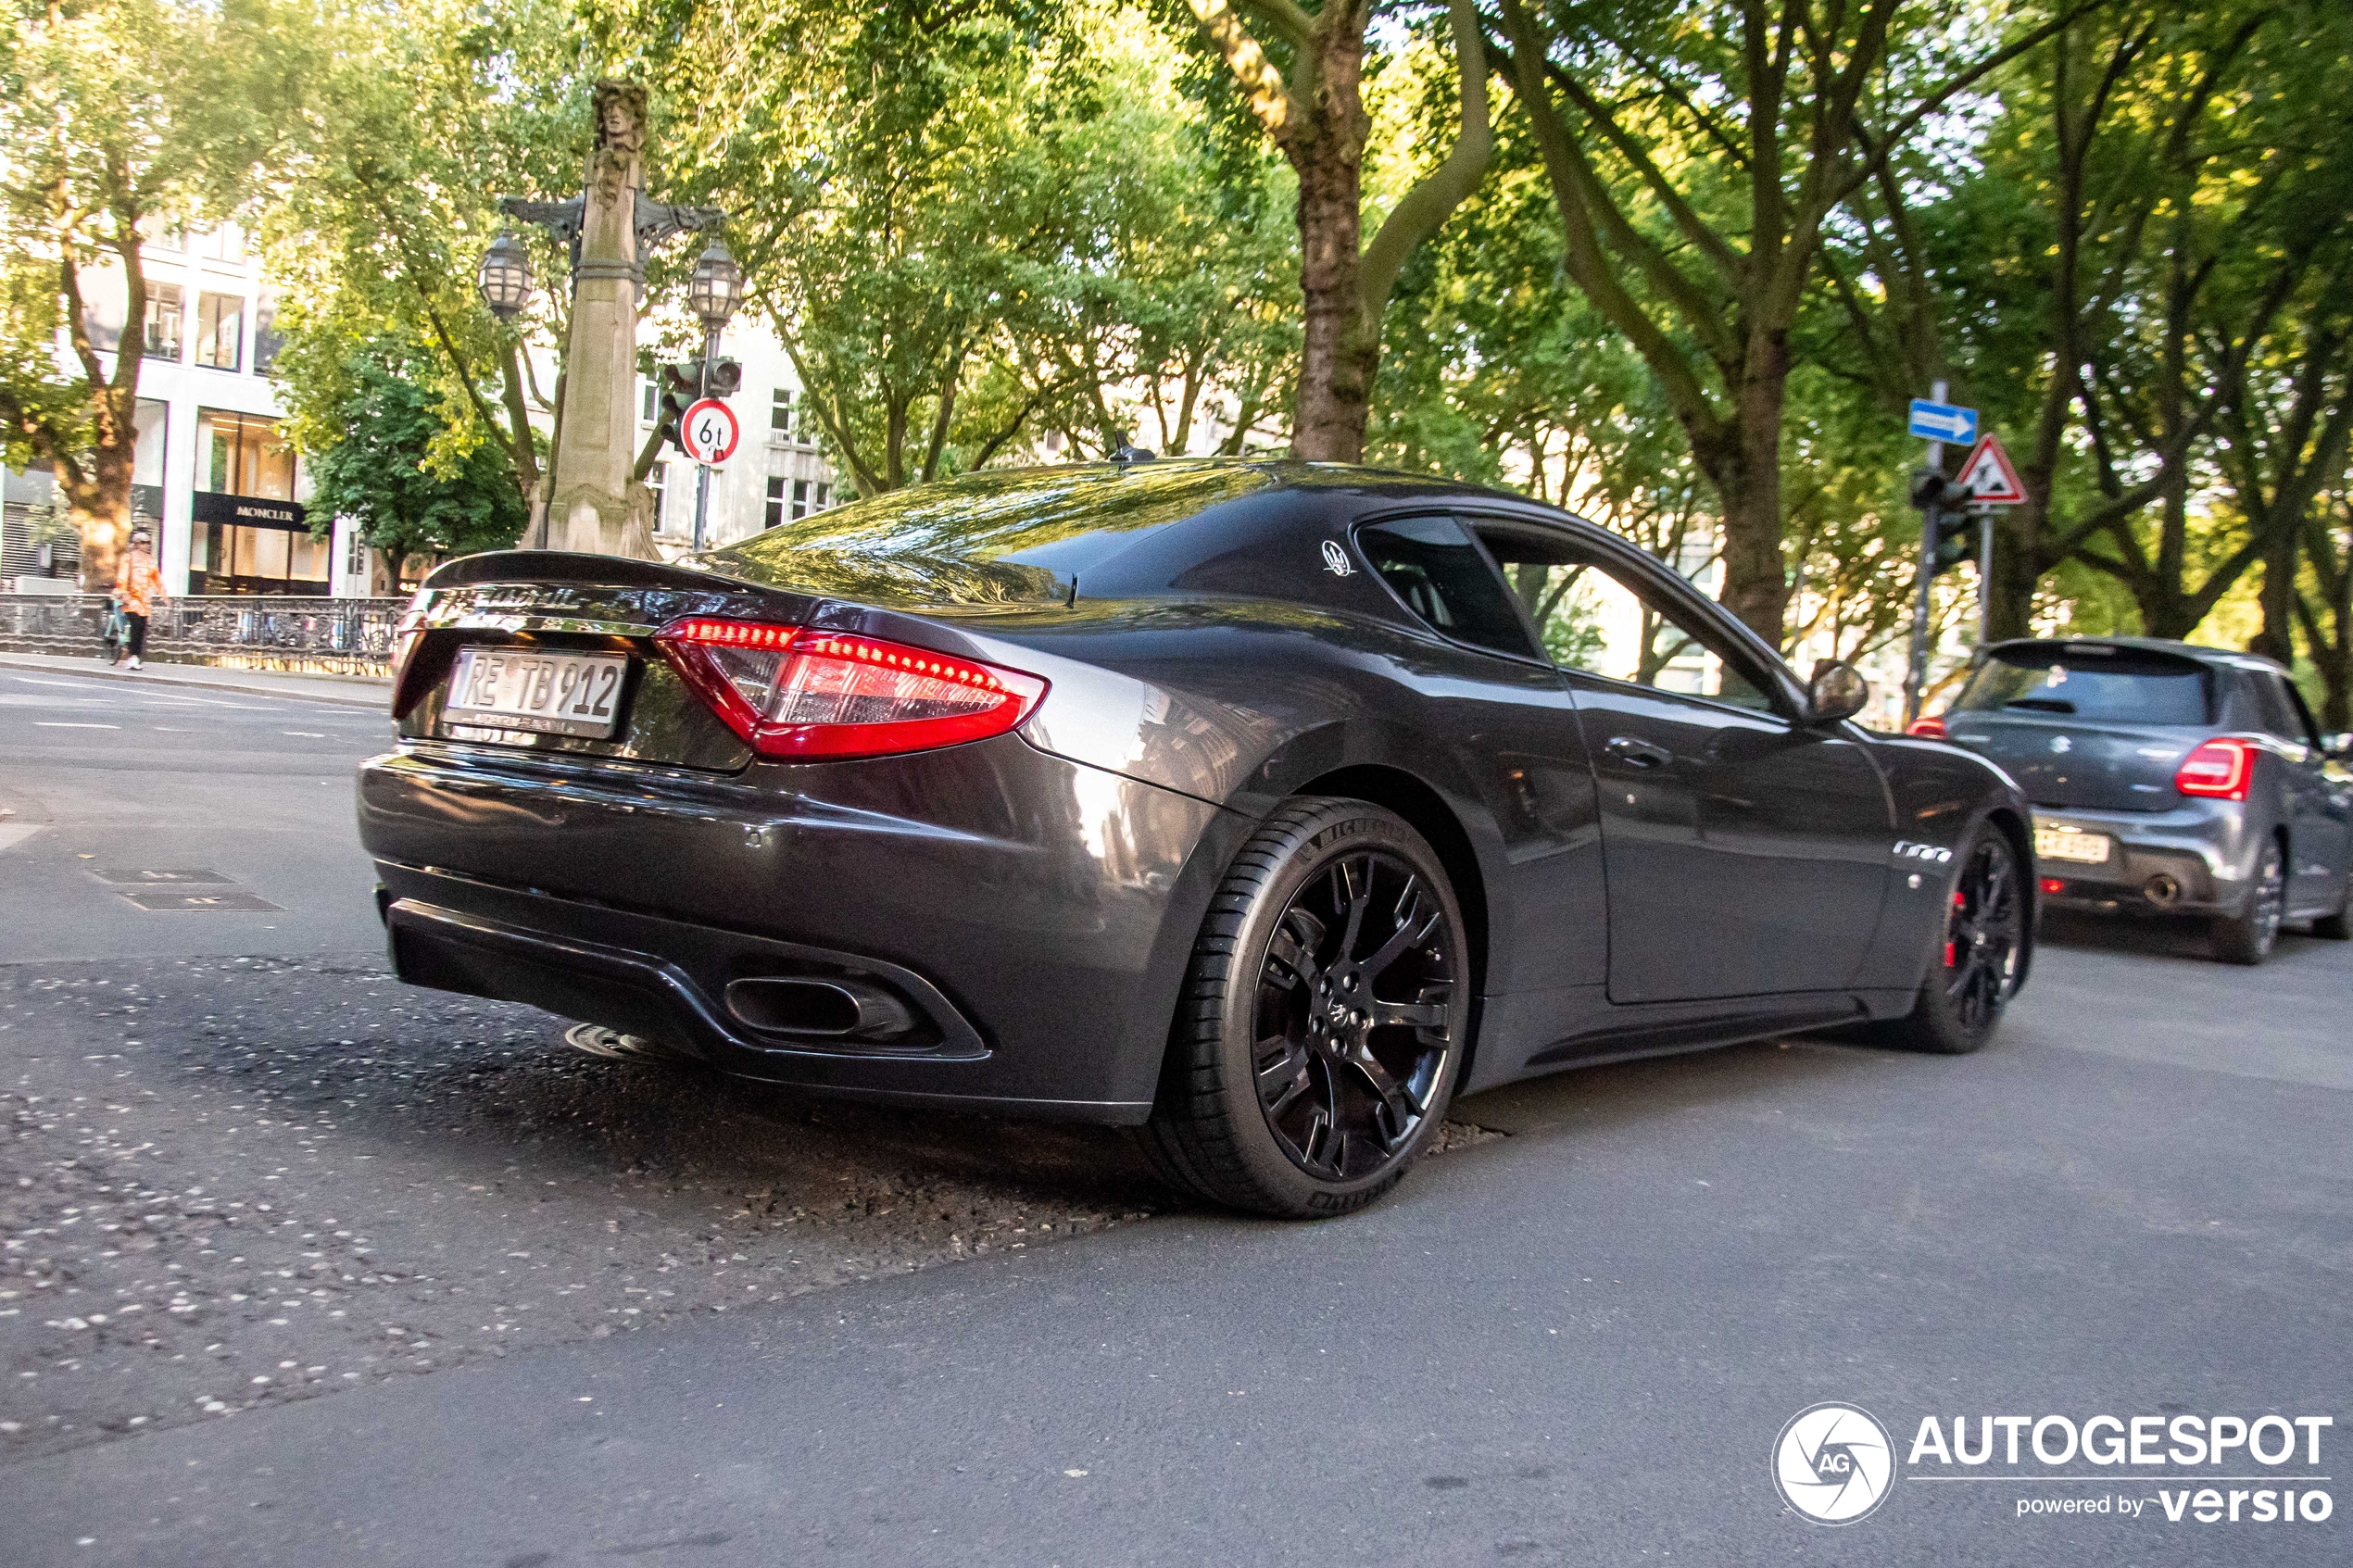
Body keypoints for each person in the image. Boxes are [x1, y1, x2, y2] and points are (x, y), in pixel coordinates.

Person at [113, 527, 166, 671]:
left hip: (144, 600)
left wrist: (164, 595)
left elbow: (156, 578)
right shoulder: (128, 558)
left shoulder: (150, 561)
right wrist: (123, 593)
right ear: (136, 544)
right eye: (143, 542)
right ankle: (132, 656)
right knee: (136, 626)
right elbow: (122, 576)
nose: (146, 545)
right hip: (131, 598)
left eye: (148, 542)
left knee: (142, 628)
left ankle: (135, 656)